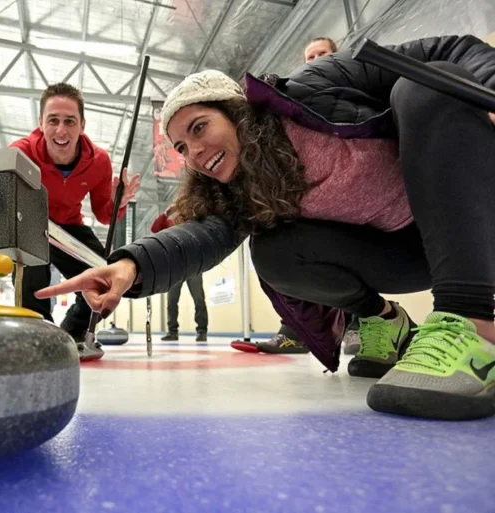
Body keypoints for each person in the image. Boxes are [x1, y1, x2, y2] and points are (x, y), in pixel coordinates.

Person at [36, 35, 495, 421]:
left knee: (425, 87)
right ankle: (385, 321)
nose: (194, 152)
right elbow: (198, 236)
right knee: (275, 252)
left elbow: (450, 46)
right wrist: (130, 266)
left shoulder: (314, 87)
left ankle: (477, 325)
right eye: (181, 146)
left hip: (472, 221)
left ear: (234, 111)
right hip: (408, 254)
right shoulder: (236, 188)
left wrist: (488, 90)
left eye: (199, 127)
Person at [0, 83, 141, 342]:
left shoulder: (99, 161)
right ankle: (38, 338)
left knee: (105, 277)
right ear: (41, 122)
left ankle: (70, 335)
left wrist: (119, 204)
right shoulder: (20, 154)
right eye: (53, 120)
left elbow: (104, 214)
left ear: (82, 125)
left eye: (70, 121)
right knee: (33, 290)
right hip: (31, 224)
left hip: (70, 228)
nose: (61, 130)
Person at [259, 35, 359, 356]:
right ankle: (296, 328)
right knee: (276, 244)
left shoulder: (359, 89)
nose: (315, 60)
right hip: (313, 199)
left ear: (337, 56)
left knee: (353, 249)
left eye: (323, 54)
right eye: (310, 56)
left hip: (358, 195)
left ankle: (363, 324)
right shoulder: (294, 104)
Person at [151, 205, 208, 341]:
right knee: (172, 301)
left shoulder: (195, 224)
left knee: (199, 299)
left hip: (194, 266)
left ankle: (202, 331)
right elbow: (154, 229)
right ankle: (172, 332)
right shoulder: (170, 225)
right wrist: (166, 213)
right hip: (176, 267)